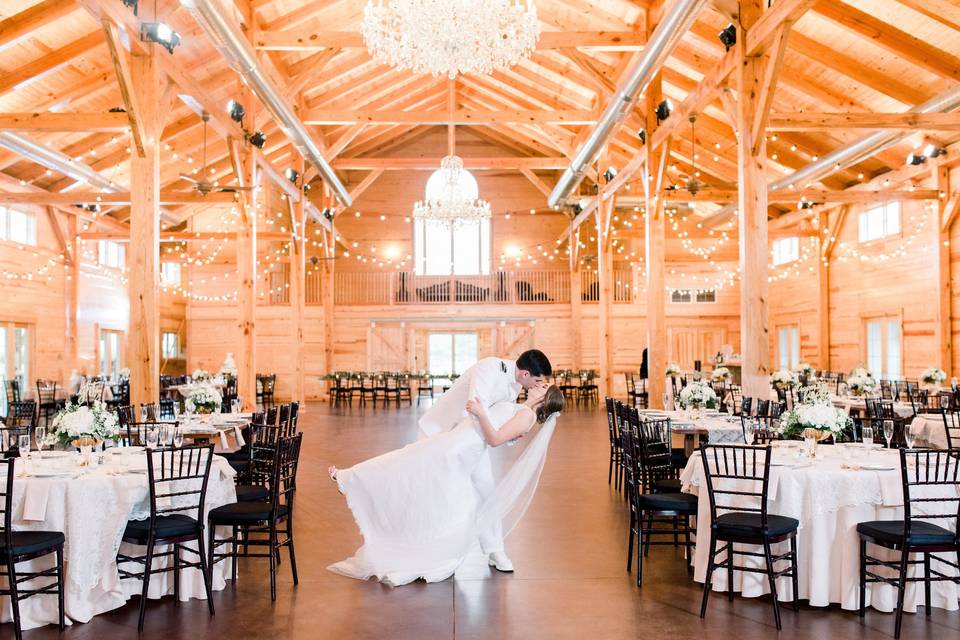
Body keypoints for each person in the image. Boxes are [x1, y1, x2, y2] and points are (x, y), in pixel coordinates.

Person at [327, 384, 564, 586]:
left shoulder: (527, 415)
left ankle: (351, 481)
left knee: (411, 468)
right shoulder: (521, 409)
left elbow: (494, 439)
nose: (537, 384)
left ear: (546, 397)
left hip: (460, 448)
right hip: (456, 440)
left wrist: (481, 413)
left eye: (543, 386)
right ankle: (350, 478)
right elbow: (504, 433)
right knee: (407, 461)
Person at [417, 349, 552, 571]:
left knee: (486, 492)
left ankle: (494, 550)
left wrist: (509, 435)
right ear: (526, 374)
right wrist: (498, 436)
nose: (538, 386)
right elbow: (474, 409)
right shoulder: (489, 368)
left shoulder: (516, 384)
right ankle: (432, 548)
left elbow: (499, 417)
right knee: (437, 491)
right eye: (537, 380)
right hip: (440, 433)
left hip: (473, 439)